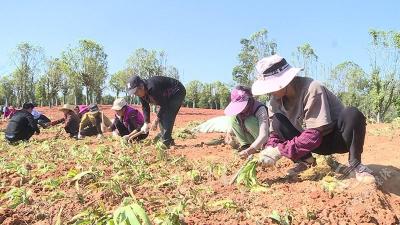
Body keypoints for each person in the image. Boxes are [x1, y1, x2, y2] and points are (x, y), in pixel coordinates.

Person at [249, 54, 375, 183]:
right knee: (277, 120)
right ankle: (305, 161)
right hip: (309, 145)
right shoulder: (275, 101)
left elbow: (314, 135)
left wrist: (279, 151)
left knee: (352, 113)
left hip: (337, 138)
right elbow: (275, 133)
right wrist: (269, 149)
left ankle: (356, 164)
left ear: (284, 82)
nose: (269, 92)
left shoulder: (312, 88)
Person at [126, 75, 186, 147]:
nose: (136, 94)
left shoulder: (153, 88)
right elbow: (145, 107)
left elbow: (164, 104)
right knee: (161, 114)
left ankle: (166, 142)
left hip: (177, 92)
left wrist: (156, 120)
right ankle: (166, 138)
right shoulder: (141, 93)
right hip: (166, 98)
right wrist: (146, 122)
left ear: (141, 86)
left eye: (135, 92)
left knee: (167, 114)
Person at [224, 86, 269, 155]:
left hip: (264, 140)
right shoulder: (239, 112)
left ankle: (261, 147)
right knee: (233, 119)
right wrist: (228, 133)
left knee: (249, 121)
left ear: (249, 100)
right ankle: (245, 146)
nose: (240, 110)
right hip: (251, 140)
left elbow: (264, 134)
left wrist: (249, 151)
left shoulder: (260, 109)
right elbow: (233, 123)